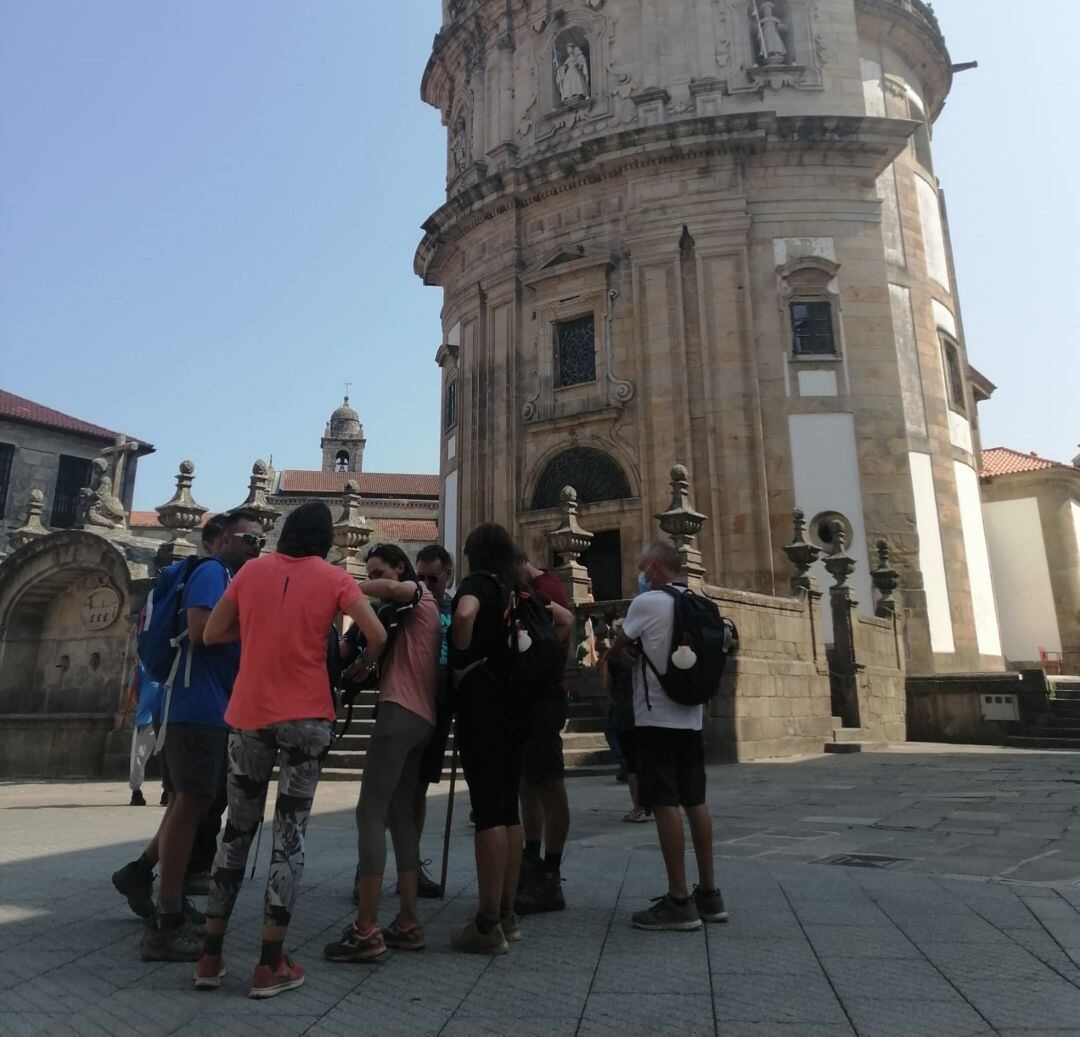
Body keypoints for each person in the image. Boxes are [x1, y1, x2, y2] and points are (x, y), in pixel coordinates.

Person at [193, 502, 384, 998]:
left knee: (236, 830)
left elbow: (212, 633)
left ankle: (210, 957)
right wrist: (359, 667)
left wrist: (256, 631)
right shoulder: (334, 578)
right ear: (324, 539)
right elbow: (377, 633)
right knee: (290, 835)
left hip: (249, 713)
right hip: (306, 716)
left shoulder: (253, 570)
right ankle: (270, 963)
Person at [112, 509, 265, 959]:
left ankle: (142, 876)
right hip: (198, 707)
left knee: (186, 804)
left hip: (203, 706)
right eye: (250, 540)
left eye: (261, 541)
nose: (257, 549)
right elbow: (201, 631)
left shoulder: (219, 575)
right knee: (191, 806)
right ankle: (167, 923)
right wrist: (260, 624)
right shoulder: (211, 572)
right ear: (219, 540)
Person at [447, 524, 573, 954]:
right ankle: (507, 915)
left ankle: (485, 923)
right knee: (510, 814)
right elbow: (567, 619)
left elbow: (463, 614)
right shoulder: (524, 592)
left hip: (484, 712)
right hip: (522, 710)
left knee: (487, 813)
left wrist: (462, 660)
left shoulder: (479, 585)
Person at [324, 543, 442, 963]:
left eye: (380, 570)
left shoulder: (416, 592)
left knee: (368, 813)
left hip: (399, 714)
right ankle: (407, 923)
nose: (375, 578)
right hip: (422, 719)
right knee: (399, 817)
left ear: (399, 568)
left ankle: (366, 928)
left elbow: (397, 592)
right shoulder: (417, 610)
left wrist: (348, 586)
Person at [610, 541, 727, 931]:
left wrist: (621, 641)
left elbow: (620, 647)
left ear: (657, 568)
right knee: (696, 801)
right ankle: (709, 894)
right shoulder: (699, 601)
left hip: (656, 718)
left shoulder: (647, 604)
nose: (639, 575)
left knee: (664, 804)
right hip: (691, 717)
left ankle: (679, 900)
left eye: (643, 567)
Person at [514, 549, 572, 916]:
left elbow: (565, 622)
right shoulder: (528, 589)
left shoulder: (546, 588)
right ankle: (530, 861)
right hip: (529, 701)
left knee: (549, 785)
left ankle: (550, 873)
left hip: (545, 699)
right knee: (527, 784)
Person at [412, 543, 455, 898]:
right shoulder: (408, 605)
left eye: (433, 579)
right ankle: (369, 870)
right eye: (419, 577)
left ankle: (410, 868)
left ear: (449, 576)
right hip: (408, 702)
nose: (425, 585)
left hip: (439, 706)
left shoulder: (457, 609)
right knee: (393, 791)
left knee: (420, 788)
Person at [602, 620, 649, 824]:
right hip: (649, 710)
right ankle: (656, 804)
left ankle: (638, 807)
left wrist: (619, 699)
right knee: (649, 759)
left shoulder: (613, 656)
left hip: (626, 710)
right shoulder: (649, 650)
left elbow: (608, 685)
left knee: (632, 764)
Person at [125, 659, 162, 806]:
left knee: (170, 757)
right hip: (146, 717)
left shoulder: (172, 660)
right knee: (138, 756)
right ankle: (136, 791)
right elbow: (131, 691)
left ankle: (167, 791)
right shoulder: (142, 666)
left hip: (167, 715)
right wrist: (141, 705)